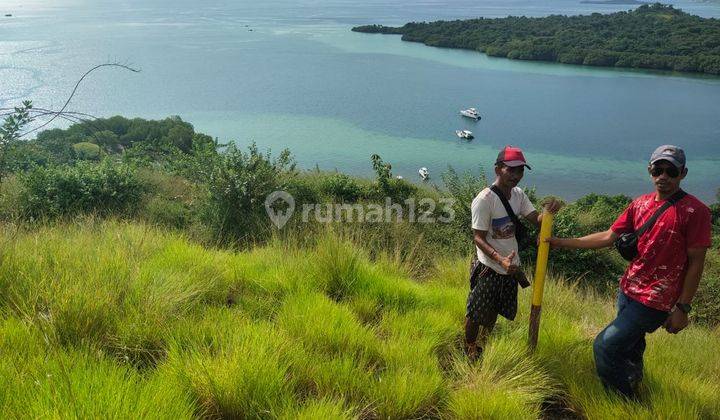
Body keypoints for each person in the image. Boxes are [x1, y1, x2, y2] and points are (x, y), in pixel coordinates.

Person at [546, 145, 712, 399]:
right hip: (628, 290)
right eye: (658, 169)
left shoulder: (695, 211)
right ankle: (635, 384)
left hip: (656, 300)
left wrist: (683, 308)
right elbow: (607, 237)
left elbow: (696, 262)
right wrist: (561, 241)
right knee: (631, 345)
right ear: (650, 170)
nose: (663, 176)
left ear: (683, 173)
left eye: (671, 171)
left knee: (606, 345)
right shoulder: (640, 204)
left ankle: (622, 401)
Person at [465, 145, 561, 361]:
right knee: (476, 313)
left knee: (493, 312)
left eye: (520, 171)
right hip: (489, 268)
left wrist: (548, 211)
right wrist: (499, 259)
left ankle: (483, 344)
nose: (516, 176)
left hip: (510, 268)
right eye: (511, 170)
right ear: (498, 169)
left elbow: (535, 219)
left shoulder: (518, 195)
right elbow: (478, 238)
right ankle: (470, 347)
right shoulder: (484, 200)